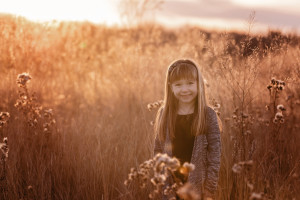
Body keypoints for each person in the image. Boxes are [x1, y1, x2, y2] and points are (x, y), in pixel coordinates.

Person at [153, 59, 221, 200]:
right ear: (171, 87)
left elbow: (215, 155)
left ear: (199, 84)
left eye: (190, 83)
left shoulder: (208, 115)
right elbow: (158, 151)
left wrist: (210, 188)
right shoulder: (164, 114)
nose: (185, 90)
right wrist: (160, 183)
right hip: (169, 187)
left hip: (198, 188)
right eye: (178, 85)